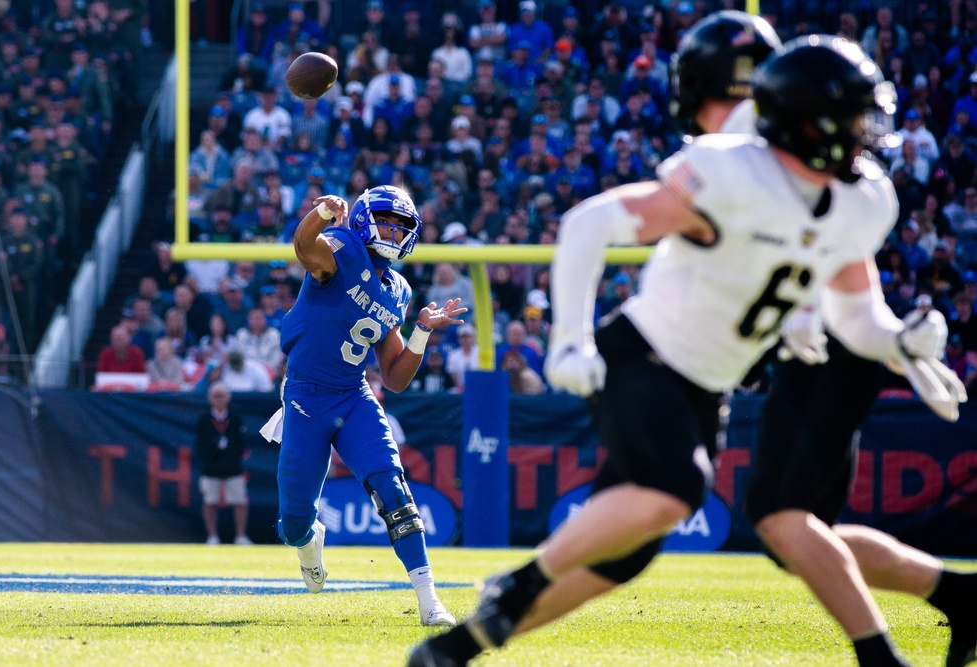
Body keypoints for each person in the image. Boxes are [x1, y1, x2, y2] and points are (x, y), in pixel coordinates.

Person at [408, 34, 964, 667]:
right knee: (674, 488)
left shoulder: (863, 201)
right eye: (853, 112)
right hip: (642, 355)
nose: (868, 128)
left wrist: (899, 341)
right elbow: (589, 222)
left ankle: (454, 650)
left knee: (623, 552)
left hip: (707, 386)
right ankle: (523, 582)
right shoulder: (732, 172)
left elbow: (856, 313)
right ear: (811, 122)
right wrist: (570, 338)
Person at [260, 185, 464, 626]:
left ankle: (430, 600)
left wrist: (422, 332)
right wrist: (320, 213)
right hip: (306, 398)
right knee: (293, 524)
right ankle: (309, 539)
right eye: (386, 220)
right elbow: (303, 248)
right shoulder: (344, 247)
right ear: (364, 218)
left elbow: (394, 377)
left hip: (354, 395)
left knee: (392, 487)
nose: (392, 230)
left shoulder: (399, 289)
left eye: (400, 225)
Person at [195, 382, 251, 546]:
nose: (219, 399)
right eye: (215, 396)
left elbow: (242, 444)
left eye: (222, 395)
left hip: (233, 467)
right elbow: (200, 445)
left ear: (228, 398)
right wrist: (211, 457)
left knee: (240, 501)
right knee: (209, 501)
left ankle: (240, 536)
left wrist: (232, 458)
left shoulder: (235, 419)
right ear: (209, 399)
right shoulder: (204, 420)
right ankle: (212, 536)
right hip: (210, 468)